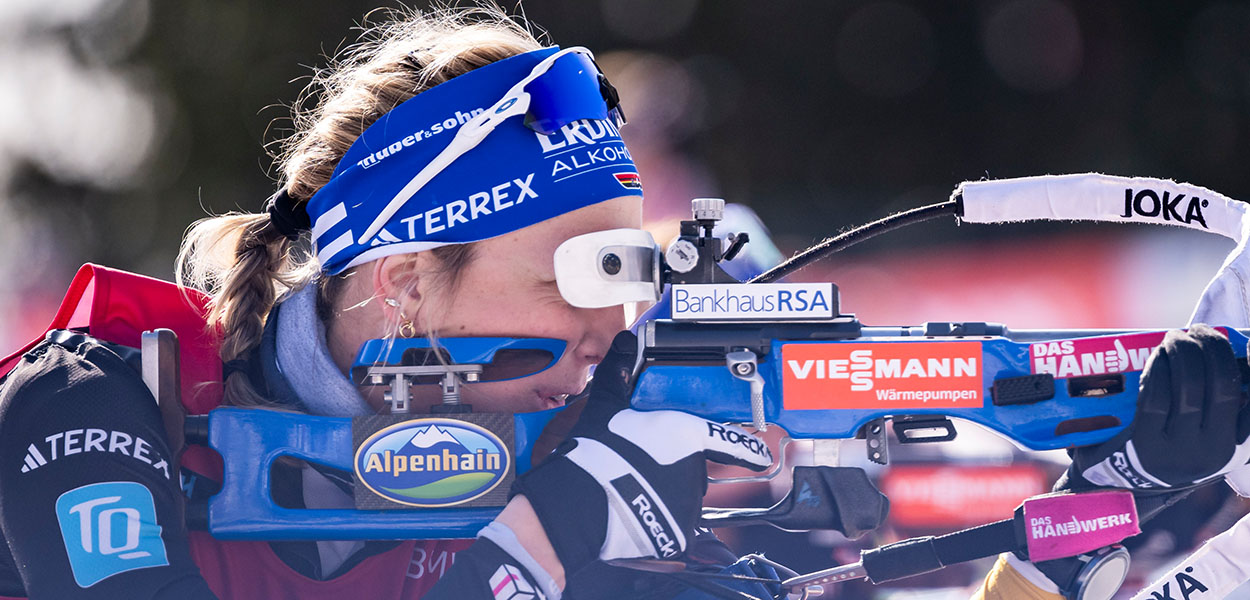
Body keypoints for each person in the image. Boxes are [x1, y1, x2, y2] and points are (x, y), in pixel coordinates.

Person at [0, 6, 1246, 600]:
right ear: (402, 280)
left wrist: (1119, 499)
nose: (614, 326)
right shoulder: (104, 407)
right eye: (575, 272)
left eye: (631, 266)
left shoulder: (603, 444)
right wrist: (538, 550)